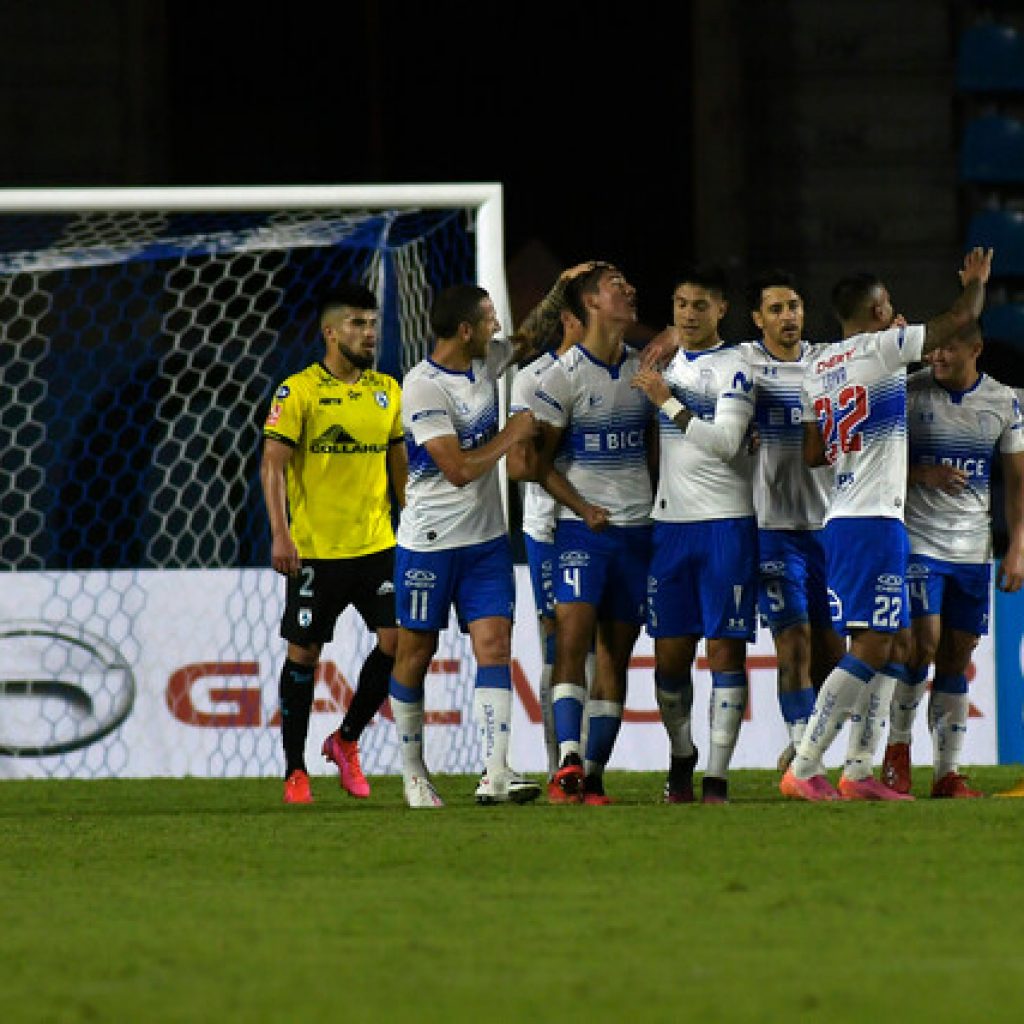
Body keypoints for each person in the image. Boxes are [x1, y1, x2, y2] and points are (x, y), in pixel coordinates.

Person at [780, 247, 994, 802]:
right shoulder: (882, 348)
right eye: (890, 305)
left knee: (891, 641)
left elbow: (812, 454)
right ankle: (805, 764)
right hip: (875, 519)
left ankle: (857, 771)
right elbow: (959, 321)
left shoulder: (818, 365)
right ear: (876, 311)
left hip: (844, 513)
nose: (897, 312)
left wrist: (858, 437)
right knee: (877, 644)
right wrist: (975, 283)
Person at [387, 273, 575, 809]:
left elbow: (529, 337)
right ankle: (414, 772)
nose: (498, 325)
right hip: (430, 542)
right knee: (415, 652)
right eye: (490, 316)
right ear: (465, 329)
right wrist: (512, 435)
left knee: (494, 648)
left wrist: (561, 286)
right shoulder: (423, 385)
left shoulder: (484, 360)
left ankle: (496, 771)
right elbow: (459, 470)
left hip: (488, 543)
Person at [261, 283, 407, 805]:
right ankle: (295, 770)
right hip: (315, 551)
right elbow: (272, 465)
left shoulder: (388, 391)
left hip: (376, 547)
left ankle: (346, 740)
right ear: (330, 332)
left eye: (372, 324)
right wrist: (281, 532)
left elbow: (398, 470)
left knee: (399, 640)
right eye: (357, 324)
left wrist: (411, 522)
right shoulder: (297, 392)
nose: (369, 334)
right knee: (304, 655)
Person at [528, 262, 655, 805]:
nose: (628, 290)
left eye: (629, 282)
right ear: (591, 306)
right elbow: (539, 463)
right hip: (582, 532)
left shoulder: (644, 370)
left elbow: (653, 444)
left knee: (615, 657)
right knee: (571, 641)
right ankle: (567, 760)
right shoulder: (562, 377)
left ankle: (594, 774)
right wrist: (582, 506)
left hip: (639, 531)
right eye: (615, 287)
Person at [880, 322, 1024, 797]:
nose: (937, 355)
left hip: (972, 550)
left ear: (976, 349)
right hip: (919, 543)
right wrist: (923, 473)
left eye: (949, 347)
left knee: (957, 659)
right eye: (933, 346)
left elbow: (1018, 485)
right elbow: (872, 462)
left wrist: (1018, 546)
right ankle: (897, 754)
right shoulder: (909, 393)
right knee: (921, 644)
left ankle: (947, 773)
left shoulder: (1006, 401)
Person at [632, 266, 757, 804]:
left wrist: (666, 401)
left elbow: (727, 443)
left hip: (727, 525)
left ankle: (717, 778)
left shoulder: (738, 367)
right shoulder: (664, 361)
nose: (688, 313)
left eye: (699, 305)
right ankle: (682, 756)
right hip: (670, 528)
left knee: (725, 654)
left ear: (721, 309)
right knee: (669, 659)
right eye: (681, 303)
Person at [740, 272, 846, 767]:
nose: (789, 317)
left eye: (795, 306)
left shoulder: (827, 363)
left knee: (832, 650)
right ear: (758, 320)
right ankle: (806, 753)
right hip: (772, 529)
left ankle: (807, 742)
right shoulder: (745, 365)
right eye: (777, 309)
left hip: (829, 527)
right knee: (793, 642)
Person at [507, 306, 592, 800]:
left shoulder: (621, 368)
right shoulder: (533, 378)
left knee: (600, 648)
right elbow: (521, 464)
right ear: (572, 318)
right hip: (549, 528)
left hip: (608, 525)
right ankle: (557, 761)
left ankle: (586, 760)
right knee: (557, 644)